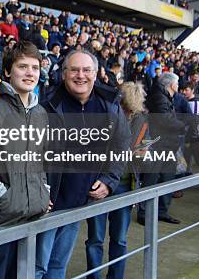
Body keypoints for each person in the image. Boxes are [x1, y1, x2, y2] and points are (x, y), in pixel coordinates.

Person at [36, 49, 130, 279]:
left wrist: (109, 180)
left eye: (86, 70)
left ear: (96, 74)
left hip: (77, 203)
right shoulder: (46, 104)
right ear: (64, 73)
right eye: (74, 70)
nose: (81, 75)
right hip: (46, 206)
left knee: (58, 266)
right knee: (36, 268)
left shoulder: (110, 105)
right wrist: (36, 191)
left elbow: (121, 145)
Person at [0, 41, 51, 279]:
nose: (30, 73)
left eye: (35, 68)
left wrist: (42, 191)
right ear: (7, 71)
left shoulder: (40, 113)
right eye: (22, 66)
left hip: (31, 217)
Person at [85, 82, 149, 279]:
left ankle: (116, 276)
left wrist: (143, 153)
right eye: (126, 108)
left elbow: (146, 148)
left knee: (119, 238)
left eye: (132, 111)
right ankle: (93, 276)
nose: (128, 114)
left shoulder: (142, 120)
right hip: (100, 183)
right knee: (95, 238)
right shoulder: (103, 114)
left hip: (126, 185)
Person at [137, 72, 186, 225]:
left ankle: (161, 212)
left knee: (167, 178)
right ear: (171, 84)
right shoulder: (159, 97)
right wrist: (183, 125)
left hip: (168, 144)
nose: (178, 86)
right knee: (152, 178)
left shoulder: (164, 96)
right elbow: (165, 121)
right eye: (177, 83)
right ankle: (144, 213)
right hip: (159, 145)